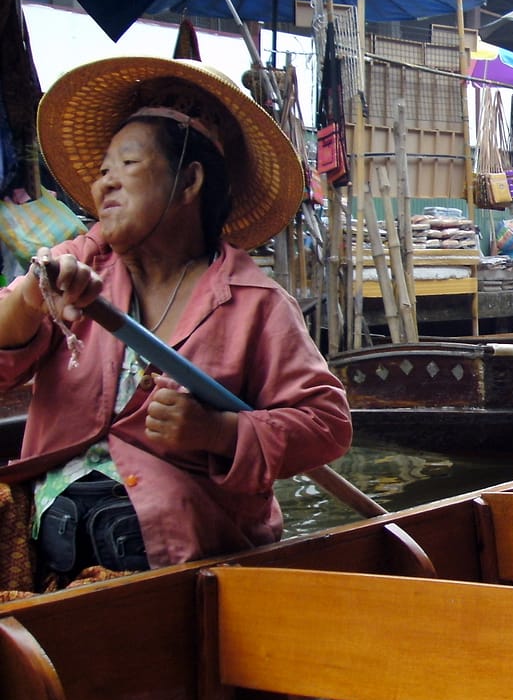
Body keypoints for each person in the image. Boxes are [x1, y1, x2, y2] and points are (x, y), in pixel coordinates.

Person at [0, 57, 351, 584]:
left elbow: (326, 426)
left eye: (127, 164)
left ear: (189, 181)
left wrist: (218, 431)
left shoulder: (255, 303)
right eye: (102, 171)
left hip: (183, 565)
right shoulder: (73, 264)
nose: (104, 184)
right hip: (50, 553)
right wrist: (33, 296)